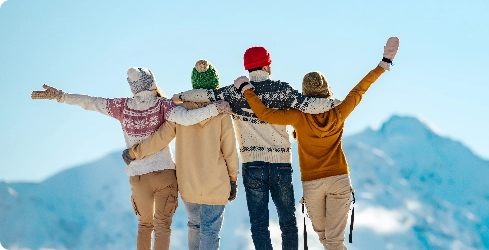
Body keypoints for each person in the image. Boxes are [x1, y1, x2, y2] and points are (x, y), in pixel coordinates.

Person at [30, 67, 231, 250]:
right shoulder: (164, 105)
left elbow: (91, 102)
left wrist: (61, 96)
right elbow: (188, 118)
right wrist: (215, 109)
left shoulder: (122, 106)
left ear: (133, 87)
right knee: (162, 227)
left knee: (144, 225)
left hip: (138, 176)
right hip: (164, 174)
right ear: (152, 82)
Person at [236, 37, 400, 250]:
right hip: (339, 180)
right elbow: (360, 90)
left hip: (312, 184)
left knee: (330, 241)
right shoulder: (339, 111)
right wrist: (383, 64)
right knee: (328, 241)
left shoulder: (298, 117)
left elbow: (265, 114)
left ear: (305, 94)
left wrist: (247, 90)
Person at [172, 47, 340, 250]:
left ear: (248, 68)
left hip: (252, 166)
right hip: (281, 166)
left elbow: (207, 94)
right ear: (267, 66)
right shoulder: (282, 89)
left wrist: (181, 96)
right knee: (287, 223)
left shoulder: (233, 92)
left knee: (259, 225)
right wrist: (338, 104)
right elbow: (309, 105)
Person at [122, 60, 239, 250]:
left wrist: (135, 152)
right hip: (216, 182)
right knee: (210, 231)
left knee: (194, 225)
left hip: (188, 183)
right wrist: (233, 179)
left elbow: (160, 138)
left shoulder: (179, 111)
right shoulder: (221, 113)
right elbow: (230, 150)